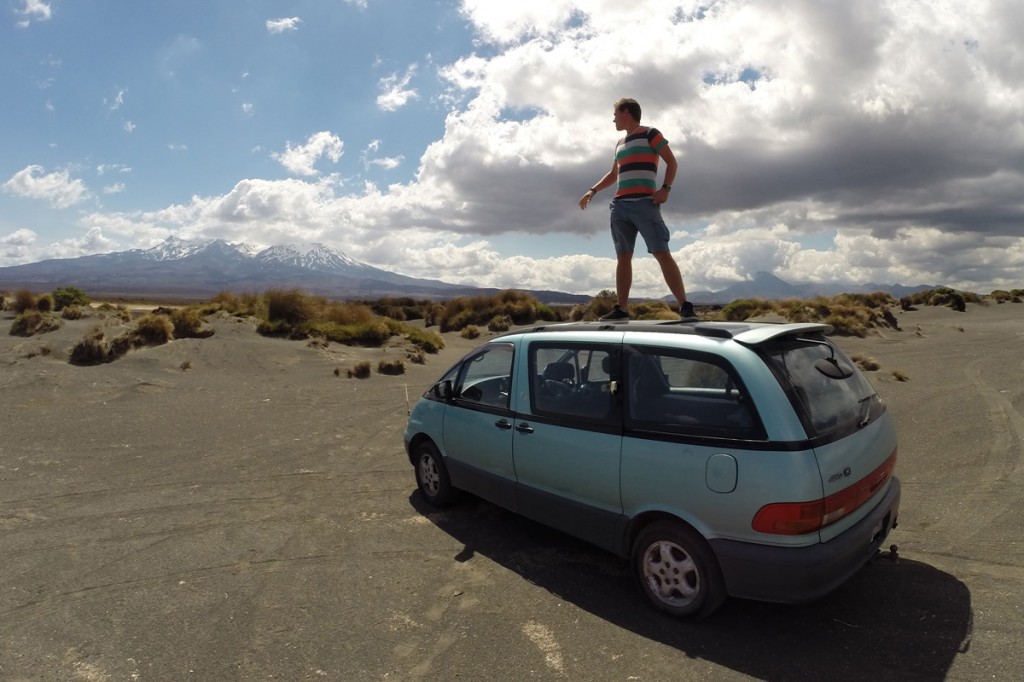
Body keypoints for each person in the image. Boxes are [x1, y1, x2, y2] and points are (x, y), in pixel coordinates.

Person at [578, 98, 697, 322]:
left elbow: (672, 162)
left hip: (645, 203)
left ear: (626, 112)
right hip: (620, 206)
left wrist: (665, 189)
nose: (613, 119)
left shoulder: (651, 133)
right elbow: (614, 175)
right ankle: (621, 309)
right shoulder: (619, 143)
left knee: (661, 253)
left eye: (615, 114)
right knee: (623, 257)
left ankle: (685, 306)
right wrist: (592, 190)